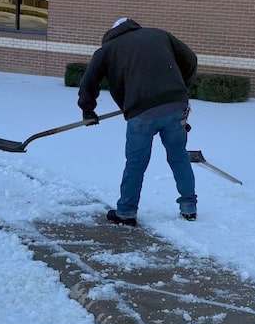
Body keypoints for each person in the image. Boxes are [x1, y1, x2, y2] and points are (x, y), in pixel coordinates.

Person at [78, 17, 198, 226]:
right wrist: (179, 89)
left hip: (142, 113)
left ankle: (126, 212)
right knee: (179, 156)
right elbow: (190, 59)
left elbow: (89, 81)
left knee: (135, 164)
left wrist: (88, 111)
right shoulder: (159, 35)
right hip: (176, 108)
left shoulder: (107, 50)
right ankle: (189, 207)